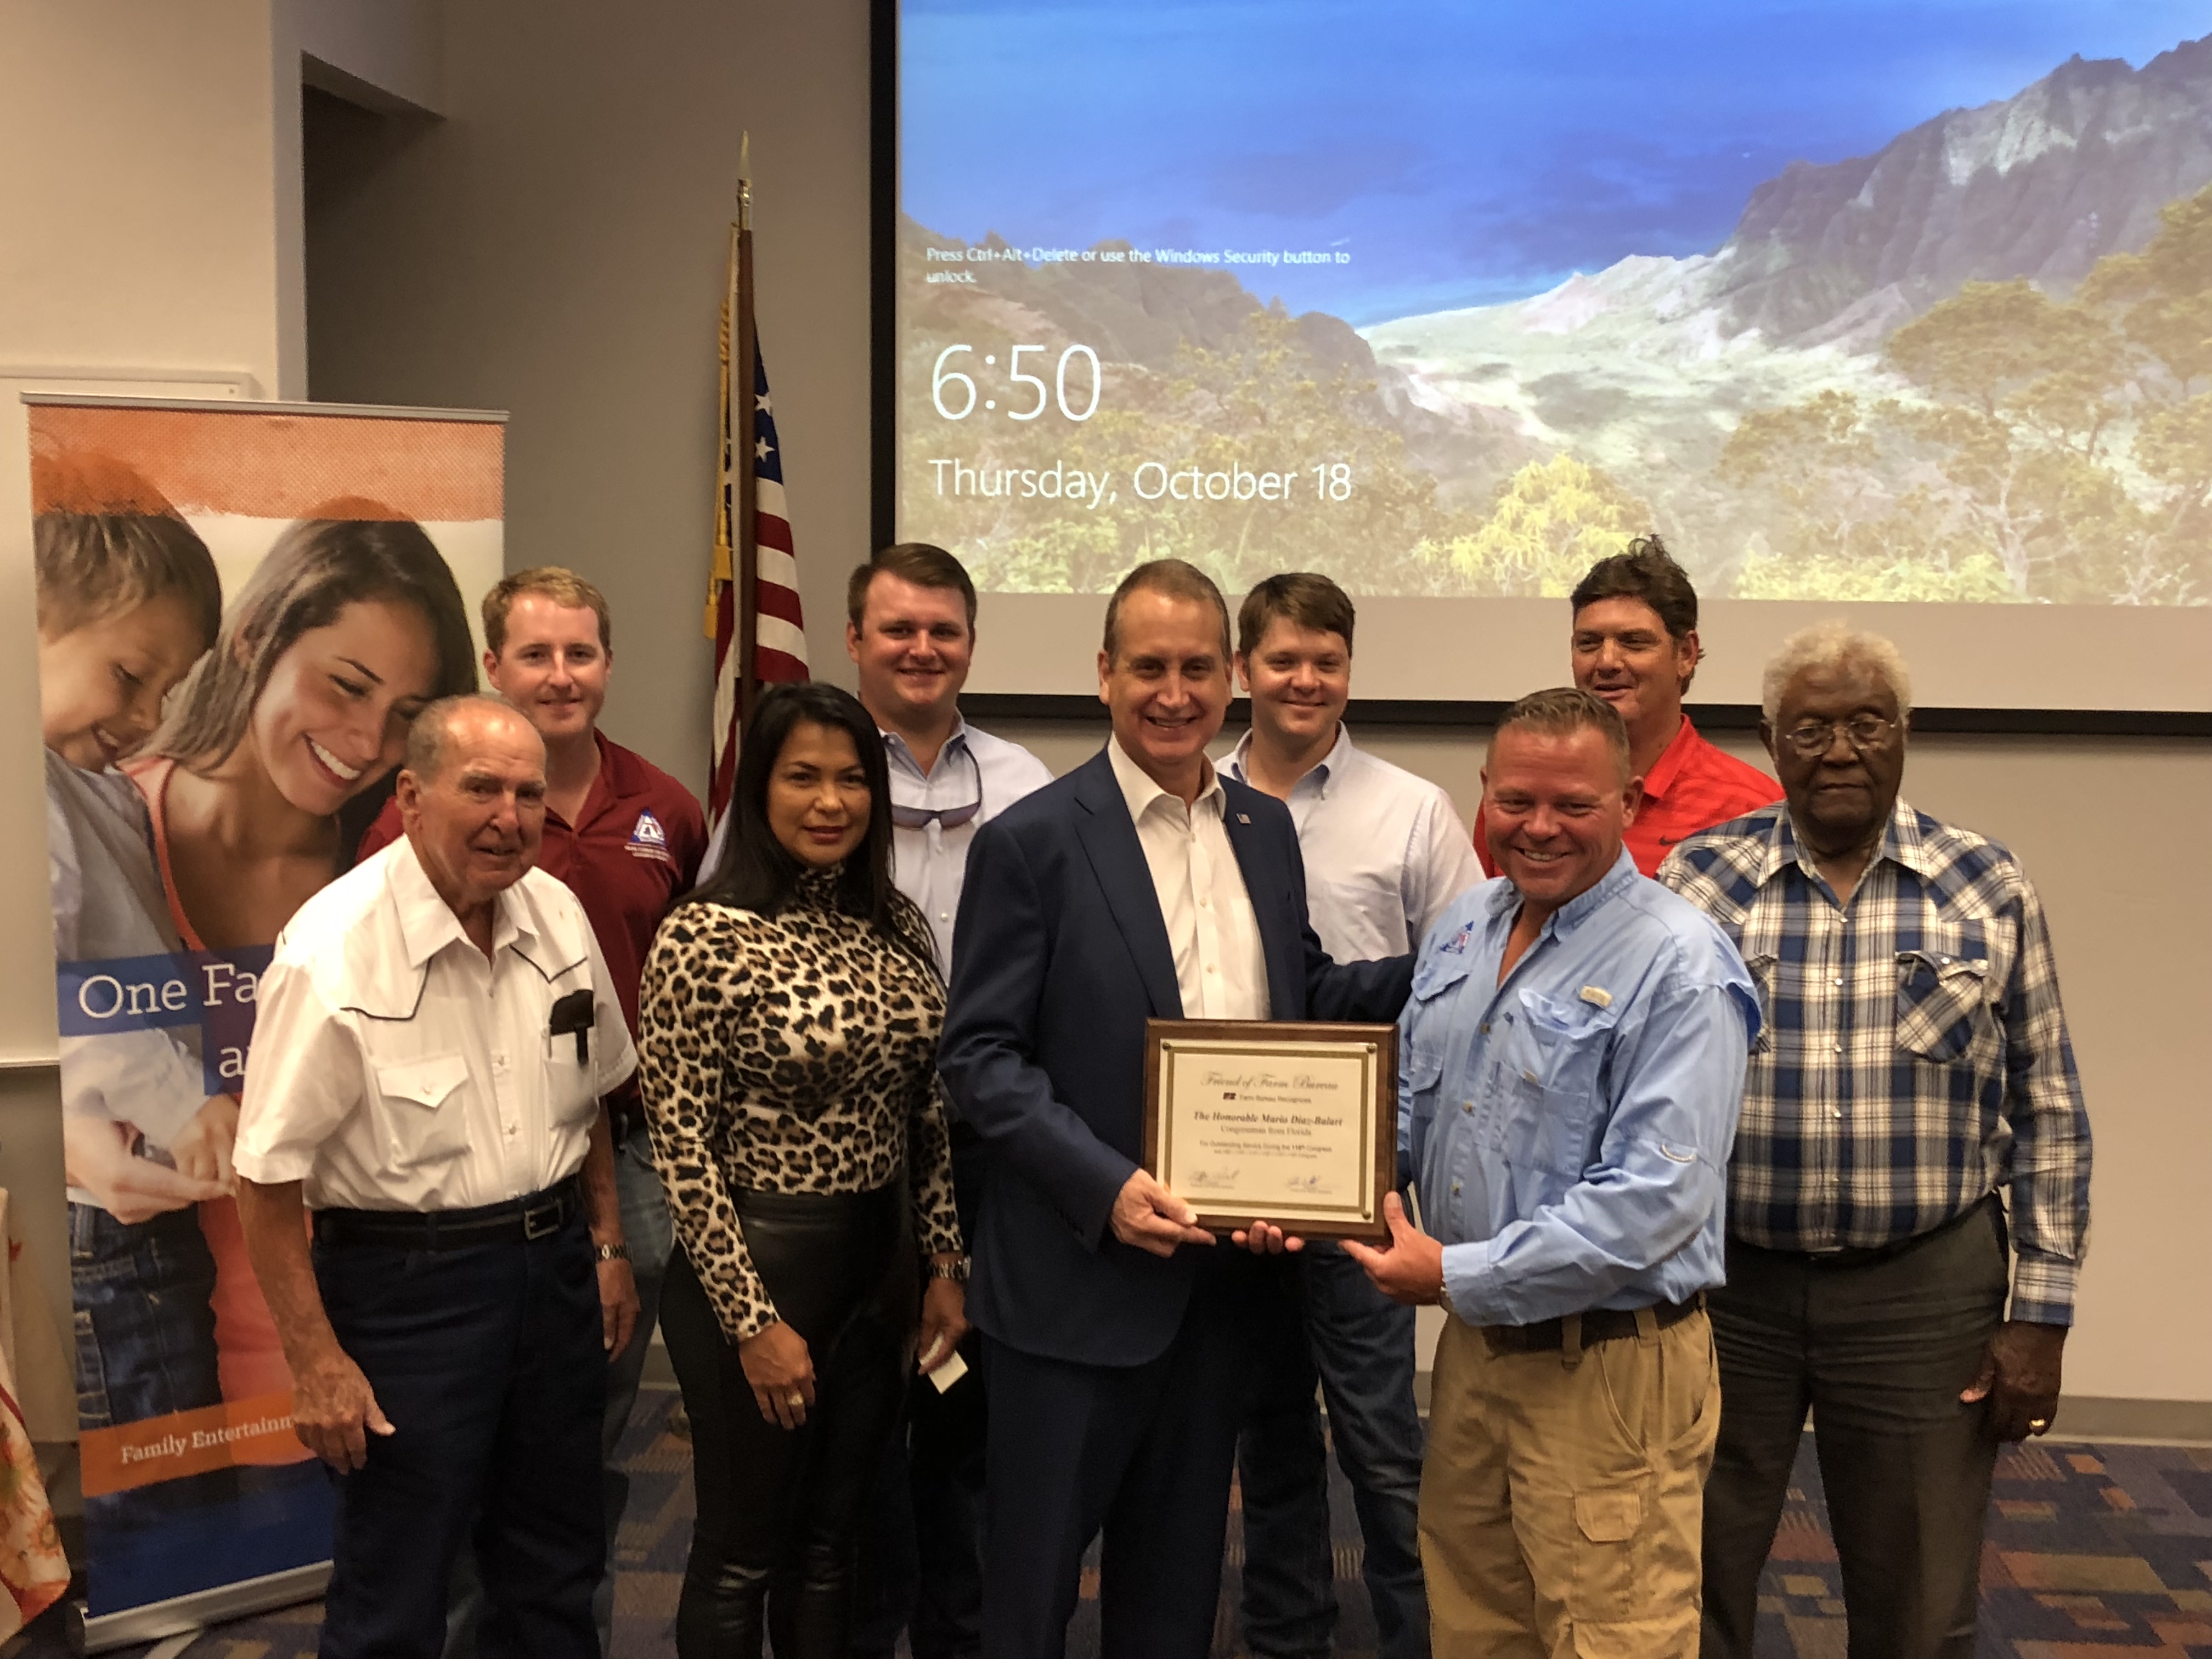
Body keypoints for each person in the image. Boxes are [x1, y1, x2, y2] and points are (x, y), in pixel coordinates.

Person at [937, 558, 1414, 1659]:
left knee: (1173, 1596)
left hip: (1217, 1290)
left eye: (1198, 668)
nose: (1173, 692)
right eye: (1148, 667)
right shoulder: (1033, 840)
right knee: (1031, 1598)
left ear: (1231, 677)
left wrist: (1457, 963)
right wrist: (1104, 1187)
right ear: (1103, 673)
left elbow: (1301, 994)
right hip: (1073, 1291)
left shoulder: (1263, 828)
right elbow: (981, 1057)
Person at [1657, 622, 2093, 1659]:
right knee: (1681, 1582)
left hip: (1923, 1295)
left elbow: (2048, 1107)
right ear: (1771, 740)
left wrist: (2040, 1315)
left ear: (1905, 732)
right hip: (1725, 1290)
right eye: (1811, 729)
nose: (1841, 750)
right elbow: (1639, 1091)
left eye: (1867, 723)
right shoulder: (1697, 881)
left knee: (1919, 1602)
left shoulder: (1986, 882)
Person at [1345, 685, 1757, 1656]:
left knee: (1611, 1634)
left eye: (1574, 805)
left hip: (1608, 1366)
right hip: (1478, 1353)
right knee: (1474, 1621)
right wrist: (1321, 1195)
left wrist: (1451, 1274)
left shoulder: (1679, 964)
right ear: (1484, 792)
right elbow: (1406, 1113)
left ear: (1627, 802)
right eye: (1516, 800)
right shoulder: (1462, 928)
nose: (1539, 827)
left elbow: (1654, 1201)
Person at [233, 695, 639, 1659]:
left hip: (553, 1276)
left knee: (556, 1562)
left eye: (530, 794)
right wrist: (316, 1361)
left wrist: (609, 1245)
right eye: (482, 788)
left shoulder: (558, 914)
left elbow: (589, 1098)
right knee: (399, 1583)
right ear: (412, 797)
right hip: (407, 1298)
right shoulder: (332, 951)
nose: (510, 817)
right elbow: (265, 1180)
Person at [358, 567, 706, 1655]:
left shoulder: (665, 807)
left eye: (581, 652)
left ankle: (563, 1630)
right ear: (493, 664)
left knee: (579, 1432)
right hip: (463, 1175)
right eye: (536, 654)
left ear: (608, 664)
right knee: (462, 1451)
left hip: (620, 1152)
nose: (561, 675)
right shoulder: (424, 818)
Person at [637, 681, 968, 1659]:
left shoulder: (895, 924)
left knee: (834, 1545)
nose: (830, 802)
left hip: (877, 1271)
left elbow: (926, 1113)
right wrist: (752, 1322)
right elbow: (681, 1147)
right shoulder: (701, 935)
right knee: (743, 1551)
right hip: (758, 1269)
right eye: (802, 777)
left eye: (851, 779)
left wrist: (944, 1262)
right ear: (759, 789)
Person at [134, 504, 479, 1408]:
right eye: (346, 686)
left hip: (376, 1324)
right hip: (156, 1353)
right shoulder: (110, 829)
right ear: (253, 635)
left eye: (406, 715)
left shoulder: (404, 869)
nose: (368, 743)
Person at [1223, 573, 1479, 1659]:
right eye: (1283, 659)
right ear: (1242, 669)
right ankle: (1288, 1637)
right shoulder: (1190, 801)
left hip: (1364, 1178)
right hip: (1227, 1173)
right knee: (1268, 1435)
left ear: (1349, 670)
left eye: (1325, 660)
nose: (1305, 679)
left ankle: (1422, 1639)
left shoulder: (1411, 808)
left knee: (1382, 1442)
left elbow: (1467, 980)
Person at [844, 543, 1051, 1659]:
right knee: (856, 1420)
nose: (921, 648)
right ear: (855, 641)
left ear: (970, 643)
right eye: (898, 628)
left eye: (943, 630)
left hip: (977, 1150)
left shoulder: (1027, 783)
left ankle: (956, 1633)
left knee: (966, 1414)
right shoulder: (811, 770)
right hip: (845, 1161)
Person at [33, 452, 233, 1532]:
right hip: (97, 1223)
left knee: (177, 1480)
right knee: (156, 1518)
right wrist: (185, 1104)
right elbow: (52, 1003)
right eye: (127, 676)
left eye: (170, 686)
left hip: (142, 1197)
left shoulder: (95, 787)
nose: (150, 715)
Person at [1474, 535, 1775, 877]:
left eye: (1633, 642)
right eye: (1589, 643)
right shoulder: (1521, 795)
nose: (1607, 662)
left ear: (1686, 654)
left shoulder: (1752, 807)